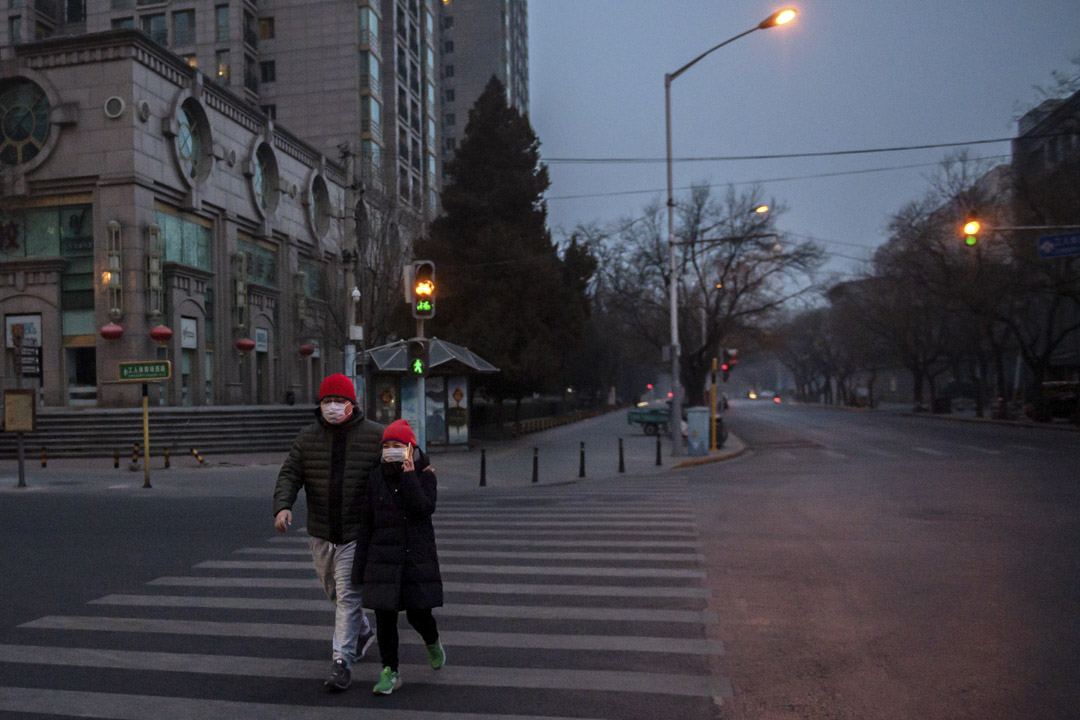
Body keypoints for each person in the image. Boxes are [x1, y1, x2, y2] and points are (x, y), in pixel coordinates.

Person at [273, 373, 384, 691]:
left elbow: (397, 462)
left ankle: (341, 662)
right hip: (320, 530)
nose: (333, 407)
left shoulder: (374, 435)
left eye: (339, 401)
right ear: (319, 405)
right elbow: (290, 473)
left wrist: (418, 464)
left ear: (353, 404)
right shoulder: (307, 438)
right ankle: (362, 631)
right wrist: (283, 506)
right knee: (334, 592)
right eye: (327, 401)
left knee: (348, 595)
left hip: (355, 532)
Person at [352, 419, 445, 695]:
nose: (391, 450)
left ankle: (432, 641)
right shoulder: (376, 477)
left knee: (419, 615)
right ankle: (390, 671)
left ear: (410, 448)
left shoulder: (425, 476)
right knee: (385, 619)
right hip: (383, 559)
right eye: (387, 446)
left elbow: (423, 509)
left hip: (413, 559)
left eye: (398, 445)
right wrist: (360, 569)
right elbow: (366, 523)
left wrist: (409, 476)